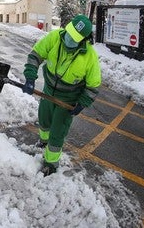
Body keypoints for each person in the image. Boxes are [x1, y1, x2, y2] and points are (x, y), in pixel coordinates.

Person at [22, 14, 101, 176]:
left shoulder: (90, 56)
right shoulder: (54, 38)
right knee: (43, 119)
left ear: (84, 40)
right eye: (69, 33)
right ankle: (43, 142)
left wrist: (82, 103)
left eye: (75, 37)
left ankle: (51, 163)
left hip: (68, 99)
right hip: (49, 90)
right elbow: (35, 55)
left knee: (58, 131)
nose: (69, 38)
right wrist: (30, 77)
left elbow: (93, 85)